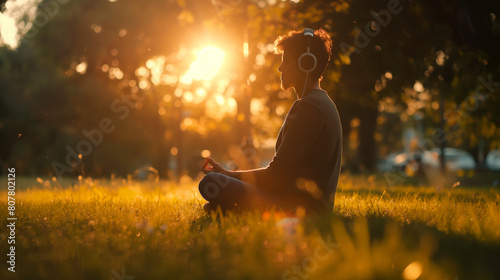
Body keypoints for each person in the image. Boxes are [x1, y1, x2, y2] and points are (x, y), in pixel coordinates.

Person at [198, 28, 342, 214]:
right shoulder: (319, 102)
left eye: (286, 61)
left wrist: (227, 175)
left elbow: (276, 176)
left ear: (306, 63)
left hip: (302, 207)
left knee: (211, 183)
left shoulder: (310, 107)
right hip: (300, 200)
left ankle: (234, 208)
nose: (280, 68)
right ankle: (230, 209)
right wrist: (228, 175)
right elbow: (281, 174)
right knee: (215, 199)